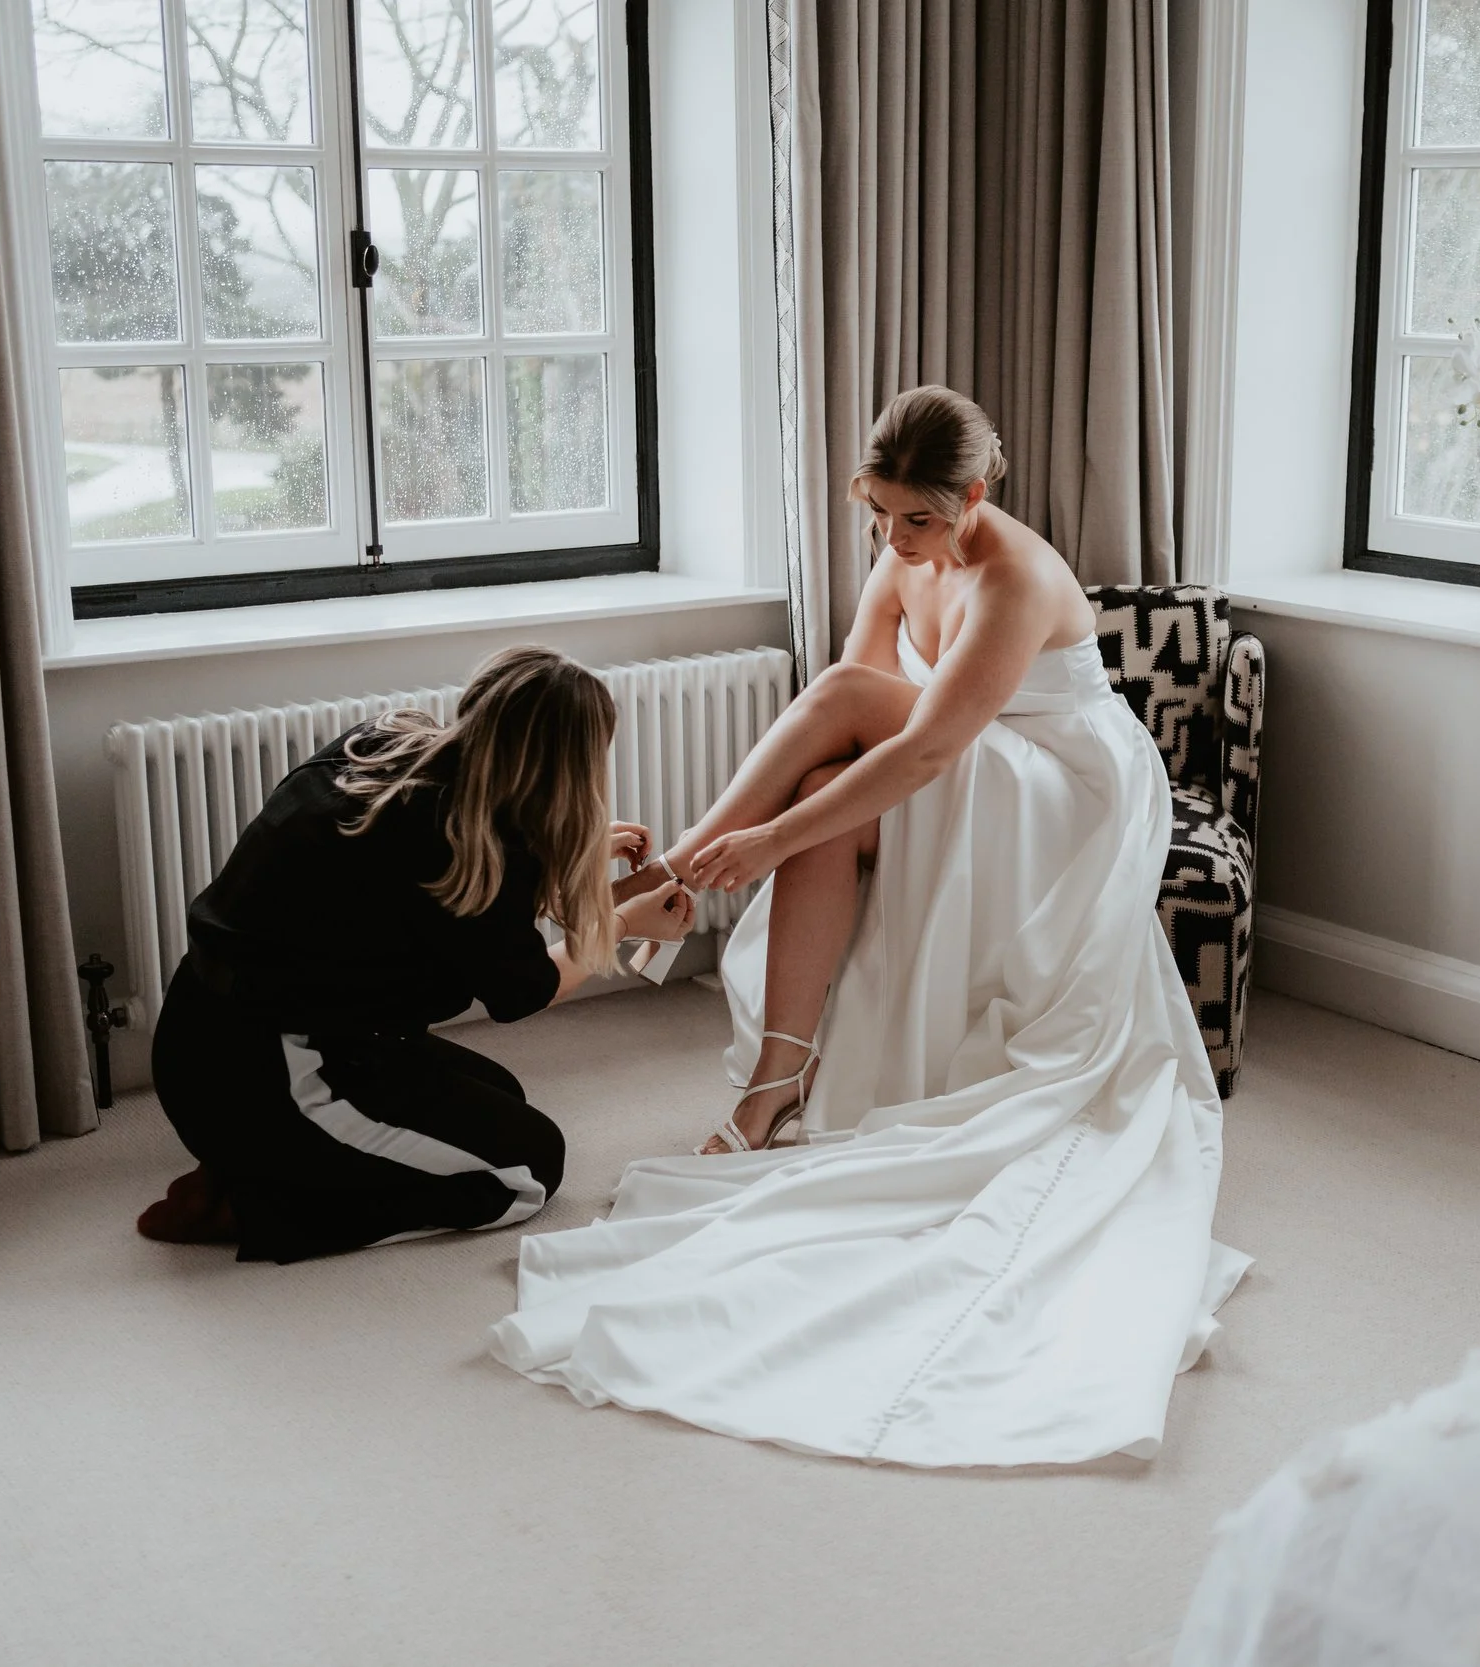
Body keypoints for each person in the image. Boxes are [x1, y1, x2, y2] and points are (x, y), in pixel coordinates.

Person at [490, 387, 1247, 1467]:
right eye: (879, 515)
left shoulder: (1013, 575)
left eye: (915, 520)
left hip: (1061, 800)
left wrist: (740, 846)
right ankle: (772, 1090)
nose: (893, 540)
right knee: (824, 799)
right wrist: (781, 830)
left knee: (829, 756)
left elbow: (924, 745)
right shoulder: (907, 545)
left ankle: (673, 877)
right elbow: (852, 708)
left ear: (973, 497)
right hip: (965, 767)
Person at [138, 645, 694, 1264]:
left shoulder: (385, 742)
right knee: (525, 1171)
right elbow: (527, 989)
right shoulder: (468, 849)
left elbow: (439, 906)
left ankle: (267, 1162)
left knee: (503, 1095)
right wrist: (619, 922)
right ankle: (257, 1202)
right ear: (572, 767)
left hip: (205, 1029)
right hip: (266, 1067)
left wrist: (583, 862)